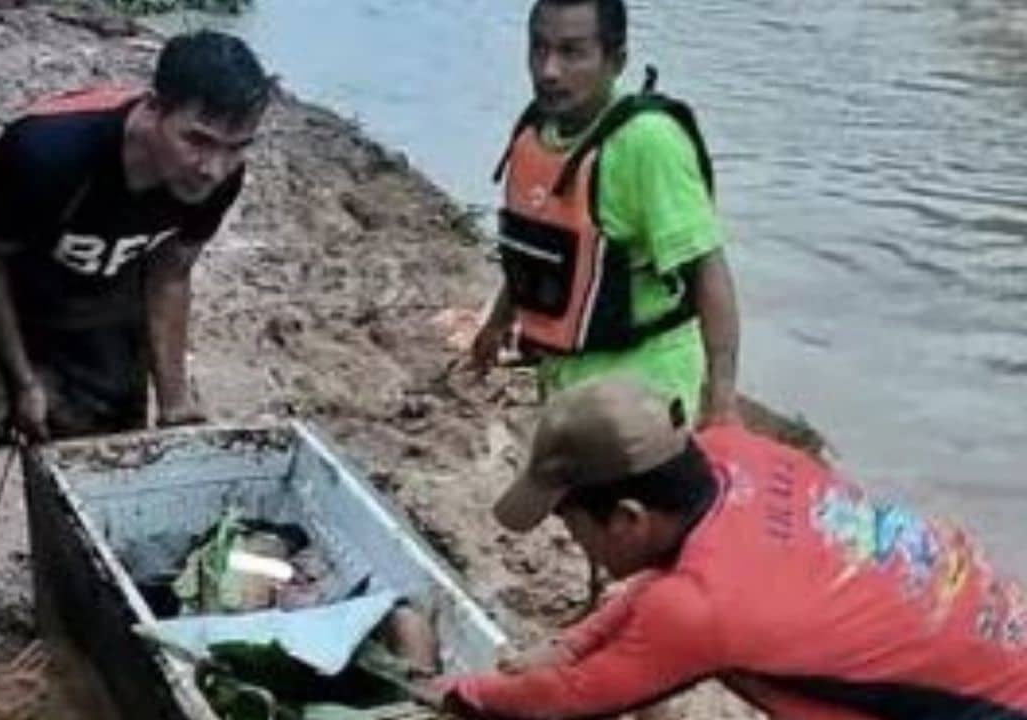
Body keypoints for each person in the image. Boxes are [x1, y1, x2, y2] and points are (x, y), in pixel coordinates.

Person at [0, 31, 272, 691]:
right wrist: (23, 382)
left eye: (236, 147)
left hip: (97, 297)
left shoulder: (217, 179)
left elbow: (170, 272)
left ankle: (75, 625)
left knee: (105, 472)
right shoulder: (47, 150)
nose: (212, 167)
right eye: (198, 140)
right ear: (154, 108)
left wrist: (175, 400)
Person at [429, 377, 1027, 718]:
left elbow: (562, 701)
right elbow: (673, 590)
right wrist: (569, 644)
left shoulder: (703, 609)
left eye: (570, 523)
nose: (573, 540)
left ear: (628, 518)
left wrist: (459, 691)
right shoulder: (736, 454)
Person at [468, 0, 739, 427]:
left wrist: (722, 405)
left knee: (565, 469)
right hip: (565, 378)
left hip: (644, 387)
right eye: (539, 48)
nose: (549, 71)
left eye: (572, 52)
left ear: (616, 61)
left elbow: (708, 269)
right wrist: (497, 325)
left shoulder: (648, 144)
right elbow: (533, 252)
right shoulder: (536, 135)